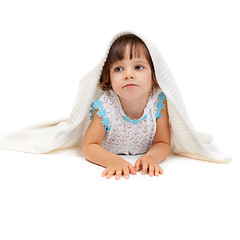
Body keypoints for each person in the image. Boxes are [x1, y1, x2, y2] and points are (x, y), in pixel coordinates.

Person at [82, 34, 171, 180]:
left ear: (154, 75)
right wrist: (112, 160)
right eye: (118, 69)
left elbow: (163, 142)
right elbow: (89, 145)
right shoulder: (105, 106)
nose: (128, 74)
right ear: (108, 77)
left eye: (138, 67)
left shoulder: (158, 103)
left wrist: (151, 157)